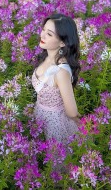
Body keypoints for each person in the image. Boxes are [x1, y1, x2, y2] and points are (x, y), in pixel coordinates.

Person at [32, 13, 81, 145]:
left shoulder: (61, 72)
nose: (42, 35)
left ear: (62, 42)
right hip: (40, 115)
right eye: (43, 30)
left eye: (49, 34)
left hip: (55, 125)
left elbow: (72, 112)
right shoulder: (46, 57)